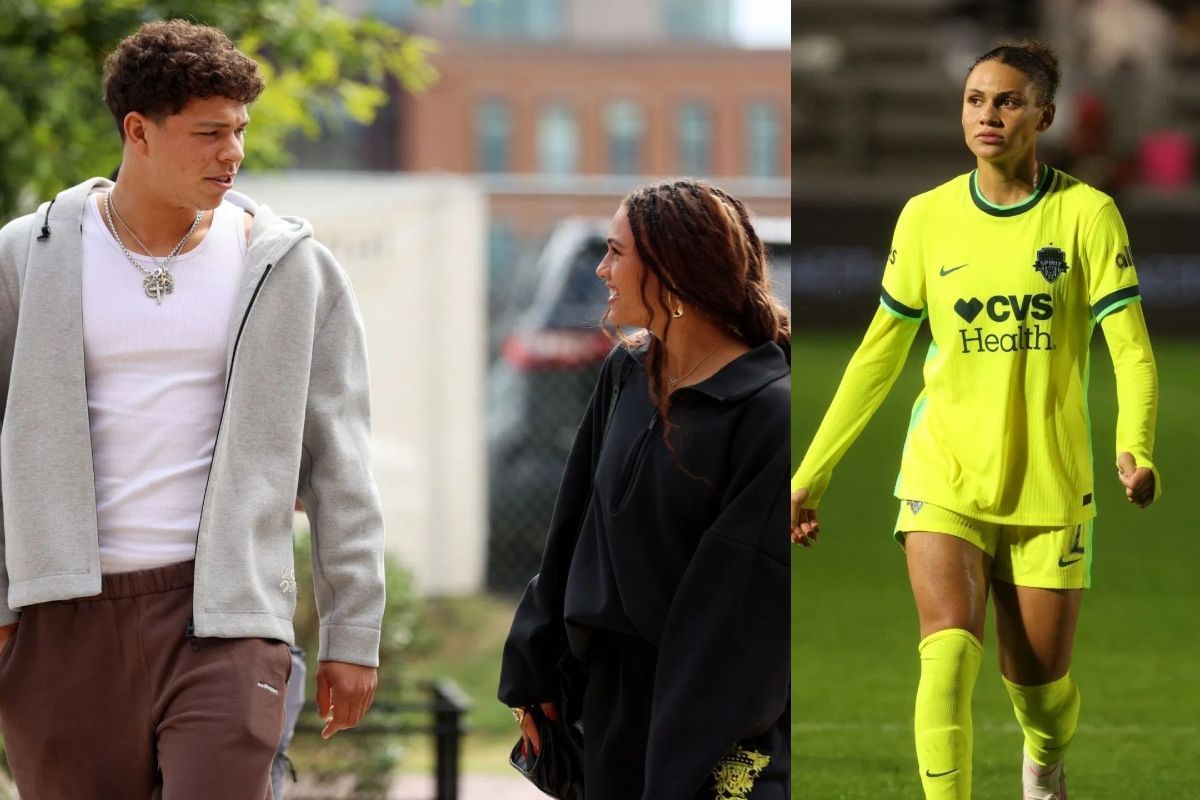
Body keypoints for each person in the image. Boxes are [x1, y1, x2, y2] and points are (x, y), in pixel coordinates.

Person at [0, 20, 384, 798]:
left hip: (227, 617)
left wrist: (354, 630)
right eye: (209, 132)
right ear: (137, 131)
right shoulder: (26, 256)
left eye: (239, 130)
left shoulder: (290, 267)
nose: (232, 153)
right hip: (60, 615)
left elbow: (341, 459)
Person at [790, 41, 1159, 800]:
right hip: (944, 469)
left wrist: (1135, 446)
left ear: (1044, 115)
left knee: (1040, 695)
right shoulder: (926, 218)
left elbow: (1130, 349)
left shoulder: (1086, 215)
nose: (988, 114)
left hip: (1050, 484)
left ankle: (1044, 760)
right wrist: (808, 475)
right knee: (947, 650)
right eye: (975, 100)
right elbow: (876, 358)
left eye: (1008, 101)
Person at [498, 179, 791, 799]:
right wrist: (535, 669)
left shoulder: (769, 409)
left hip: (719, 717)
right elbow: (572, 525)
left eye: (616, 252)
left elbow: (736, 604)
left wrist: (680, 757)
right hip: (613, 705)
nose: (602, 269)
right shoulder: (627, 372)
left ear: (673, 269)